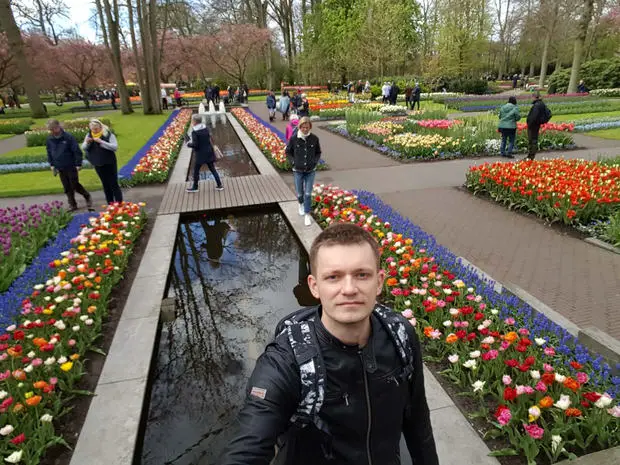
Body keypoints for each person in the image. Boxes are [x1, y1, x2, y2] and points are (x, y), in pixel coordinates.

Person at [220, 222, 439, 465]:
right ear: (315, 286)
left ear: (379, 282)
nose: (349, 289)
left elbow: (417, 420)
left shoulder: (400, 335)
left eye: (361, 275)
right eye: (333, 277)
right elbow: (249, 443)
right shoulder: (288, 359)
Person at [46, 119, 93, 212]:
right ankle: (72, 204)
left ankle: (86, 195)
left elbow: (76, 151)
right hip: (59, 166)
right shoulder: (49, 139)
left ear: (58, 127)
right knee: (66, 186)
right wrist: (51, 164)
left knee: (74, 184)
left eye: (53, 129)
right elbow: (49, 152)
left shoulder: (68, 137)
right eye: (50, 130)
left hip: (70, 164)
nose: (52, 131)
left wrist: (78, 163)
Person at [285, 117, 321, 227]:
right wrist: (293, 163)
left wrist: (315, 162)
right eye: (303, 127)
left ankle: (307, 214)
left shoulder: (314, 138)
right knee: (300, 193)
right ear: (299, 127)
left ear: (310, 127)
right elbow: (288, 152)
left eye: (307, 127)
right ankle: (300, 204)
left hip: (310, 170)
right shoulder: (294, 138)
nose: (305, 129)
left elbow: (318, 152)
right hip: (298, 170)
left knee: (308, 193)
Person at [82, 119, 123, 204]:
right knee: (105, 183)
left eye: (96, 129)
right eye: (93, 129)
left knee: (113, 183)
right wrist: (87, 142)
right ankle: (110, 203)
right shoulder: (89, 135)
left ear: (100, 127)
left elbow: (114, 147)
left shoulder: (108, 134)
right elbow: (84, 147)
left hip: (109, 162)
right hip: (97, 163)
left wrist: (102, 142)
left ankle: (119, 203)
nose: (95, 130)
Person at [186, 114, 223, 192]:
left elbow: (196, 145)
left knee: (196, 171)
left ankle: (195, 188)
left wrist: (188, 144)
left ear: (195, 122)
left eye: (192, 120)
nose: (192, 121)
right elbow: (208, 138)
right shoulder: (206, 128)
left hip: (200, 154)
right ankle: (219, 185)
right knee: (213, 169)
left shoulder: (195, 132)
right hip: (209, 151)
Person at [526, 91, 551, 160]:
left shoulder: (537, 105)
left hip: (533, 125)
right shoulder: (541, 104)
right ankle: (531, 155)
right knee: (533, 139)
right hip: (536, 124)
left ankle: (531, 156)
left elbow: (534, 116)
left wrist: (530, 123)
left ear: (534, 97)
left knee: (532, 140)